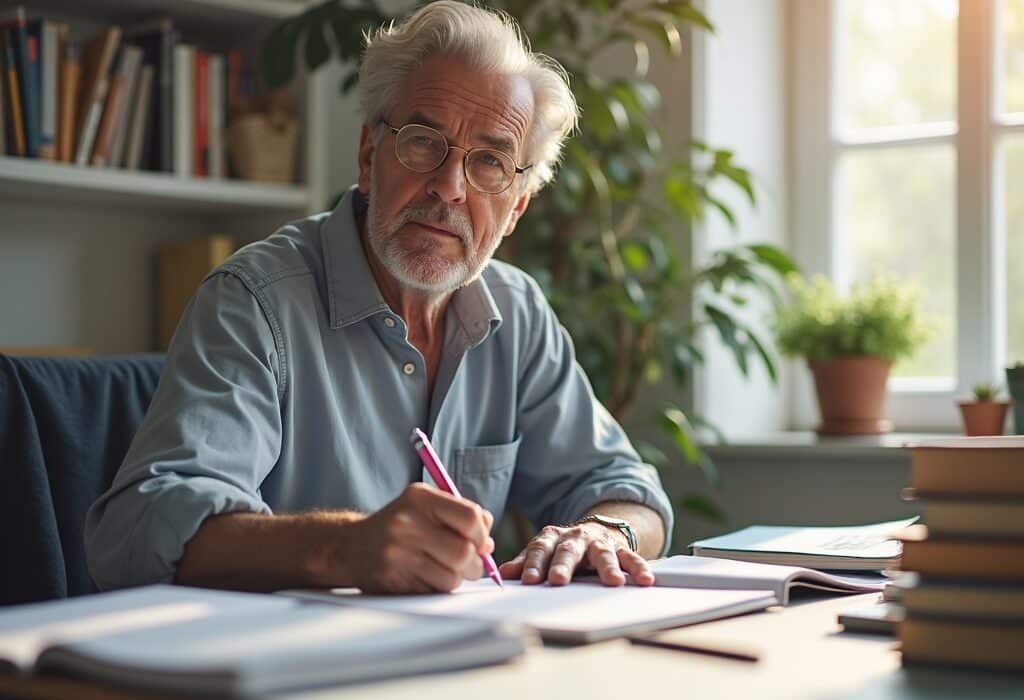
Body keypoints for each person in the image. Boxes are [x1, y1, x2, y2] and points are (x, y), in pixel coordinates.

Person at [85, 0, 673, 595]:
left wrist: (606, 532)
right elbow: (140, 529)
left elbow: (627, 488)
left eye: (490, 162)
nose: (449, 186)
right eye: (423, 143)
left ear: (517, 207)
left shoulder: (517, 312)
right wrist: (342, 547)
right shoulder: (254, 302)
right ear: (370, 157)